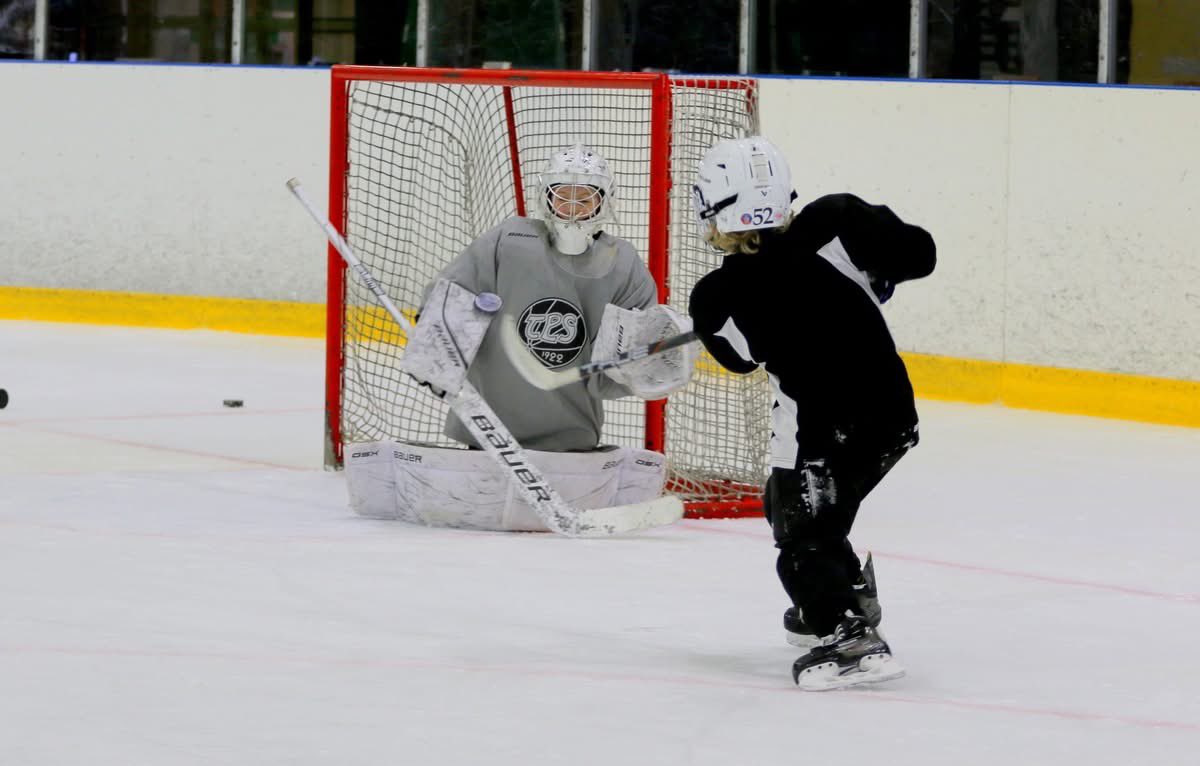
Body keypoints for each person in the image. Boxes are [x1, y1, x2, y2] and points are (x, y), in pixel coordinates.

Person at [687, 136, 935, 691]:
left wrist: (706, 322)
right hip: (891, 417)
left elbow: (739, 359)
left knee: (798, 535)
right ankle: (844, 594)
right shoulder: (835, 221)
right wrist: (879, 270)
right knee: (818, 512)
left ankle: (846, 635)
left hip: (820, 429)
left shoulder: (718, 293)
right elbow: (920, 255)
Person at [344, 143, 697, 531]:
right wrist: (438, 345)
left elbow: (624, 364)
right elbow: (450, 299)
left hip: (572, 445)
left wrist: (648, 366)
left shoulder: (622, 264)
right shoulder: (509, 241)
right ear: (546, 197)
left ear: (604, 201)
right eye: (564, 196)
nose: (574, 209)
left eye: (585, 198)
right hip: (485, 436)